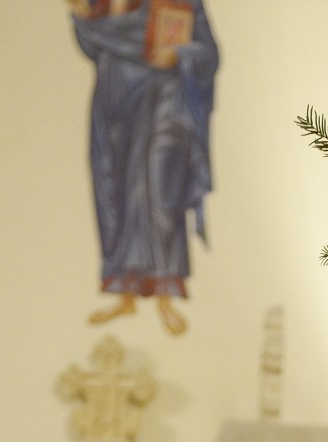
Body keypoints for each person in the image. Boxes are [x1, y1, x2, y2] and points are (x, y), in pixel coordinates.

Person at [71, 0, 219, 336]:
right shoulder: (105, 4)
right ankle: (124, 289)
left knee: (161, 189)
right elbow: (93, 46)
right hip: (116, 110)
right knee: (117, 194)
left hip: (164, 106)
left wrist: (179, 55)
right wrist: (81, 16)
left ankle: (166, 291)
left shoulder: (184, 3)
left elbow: (208, 53)